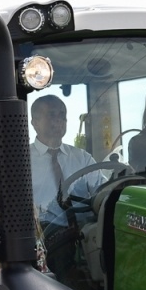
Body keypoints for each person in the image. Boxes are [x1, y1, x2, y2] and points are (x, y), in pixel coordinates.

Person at [28, 95, 98, 276]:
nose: (59, 120)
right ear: (35, 122)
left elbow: (101, 192)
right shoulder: (21, 160)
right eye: (52, 115)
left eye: (63, 115)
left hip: (84, 235)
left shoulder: (82, 158)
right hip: (42, 239)